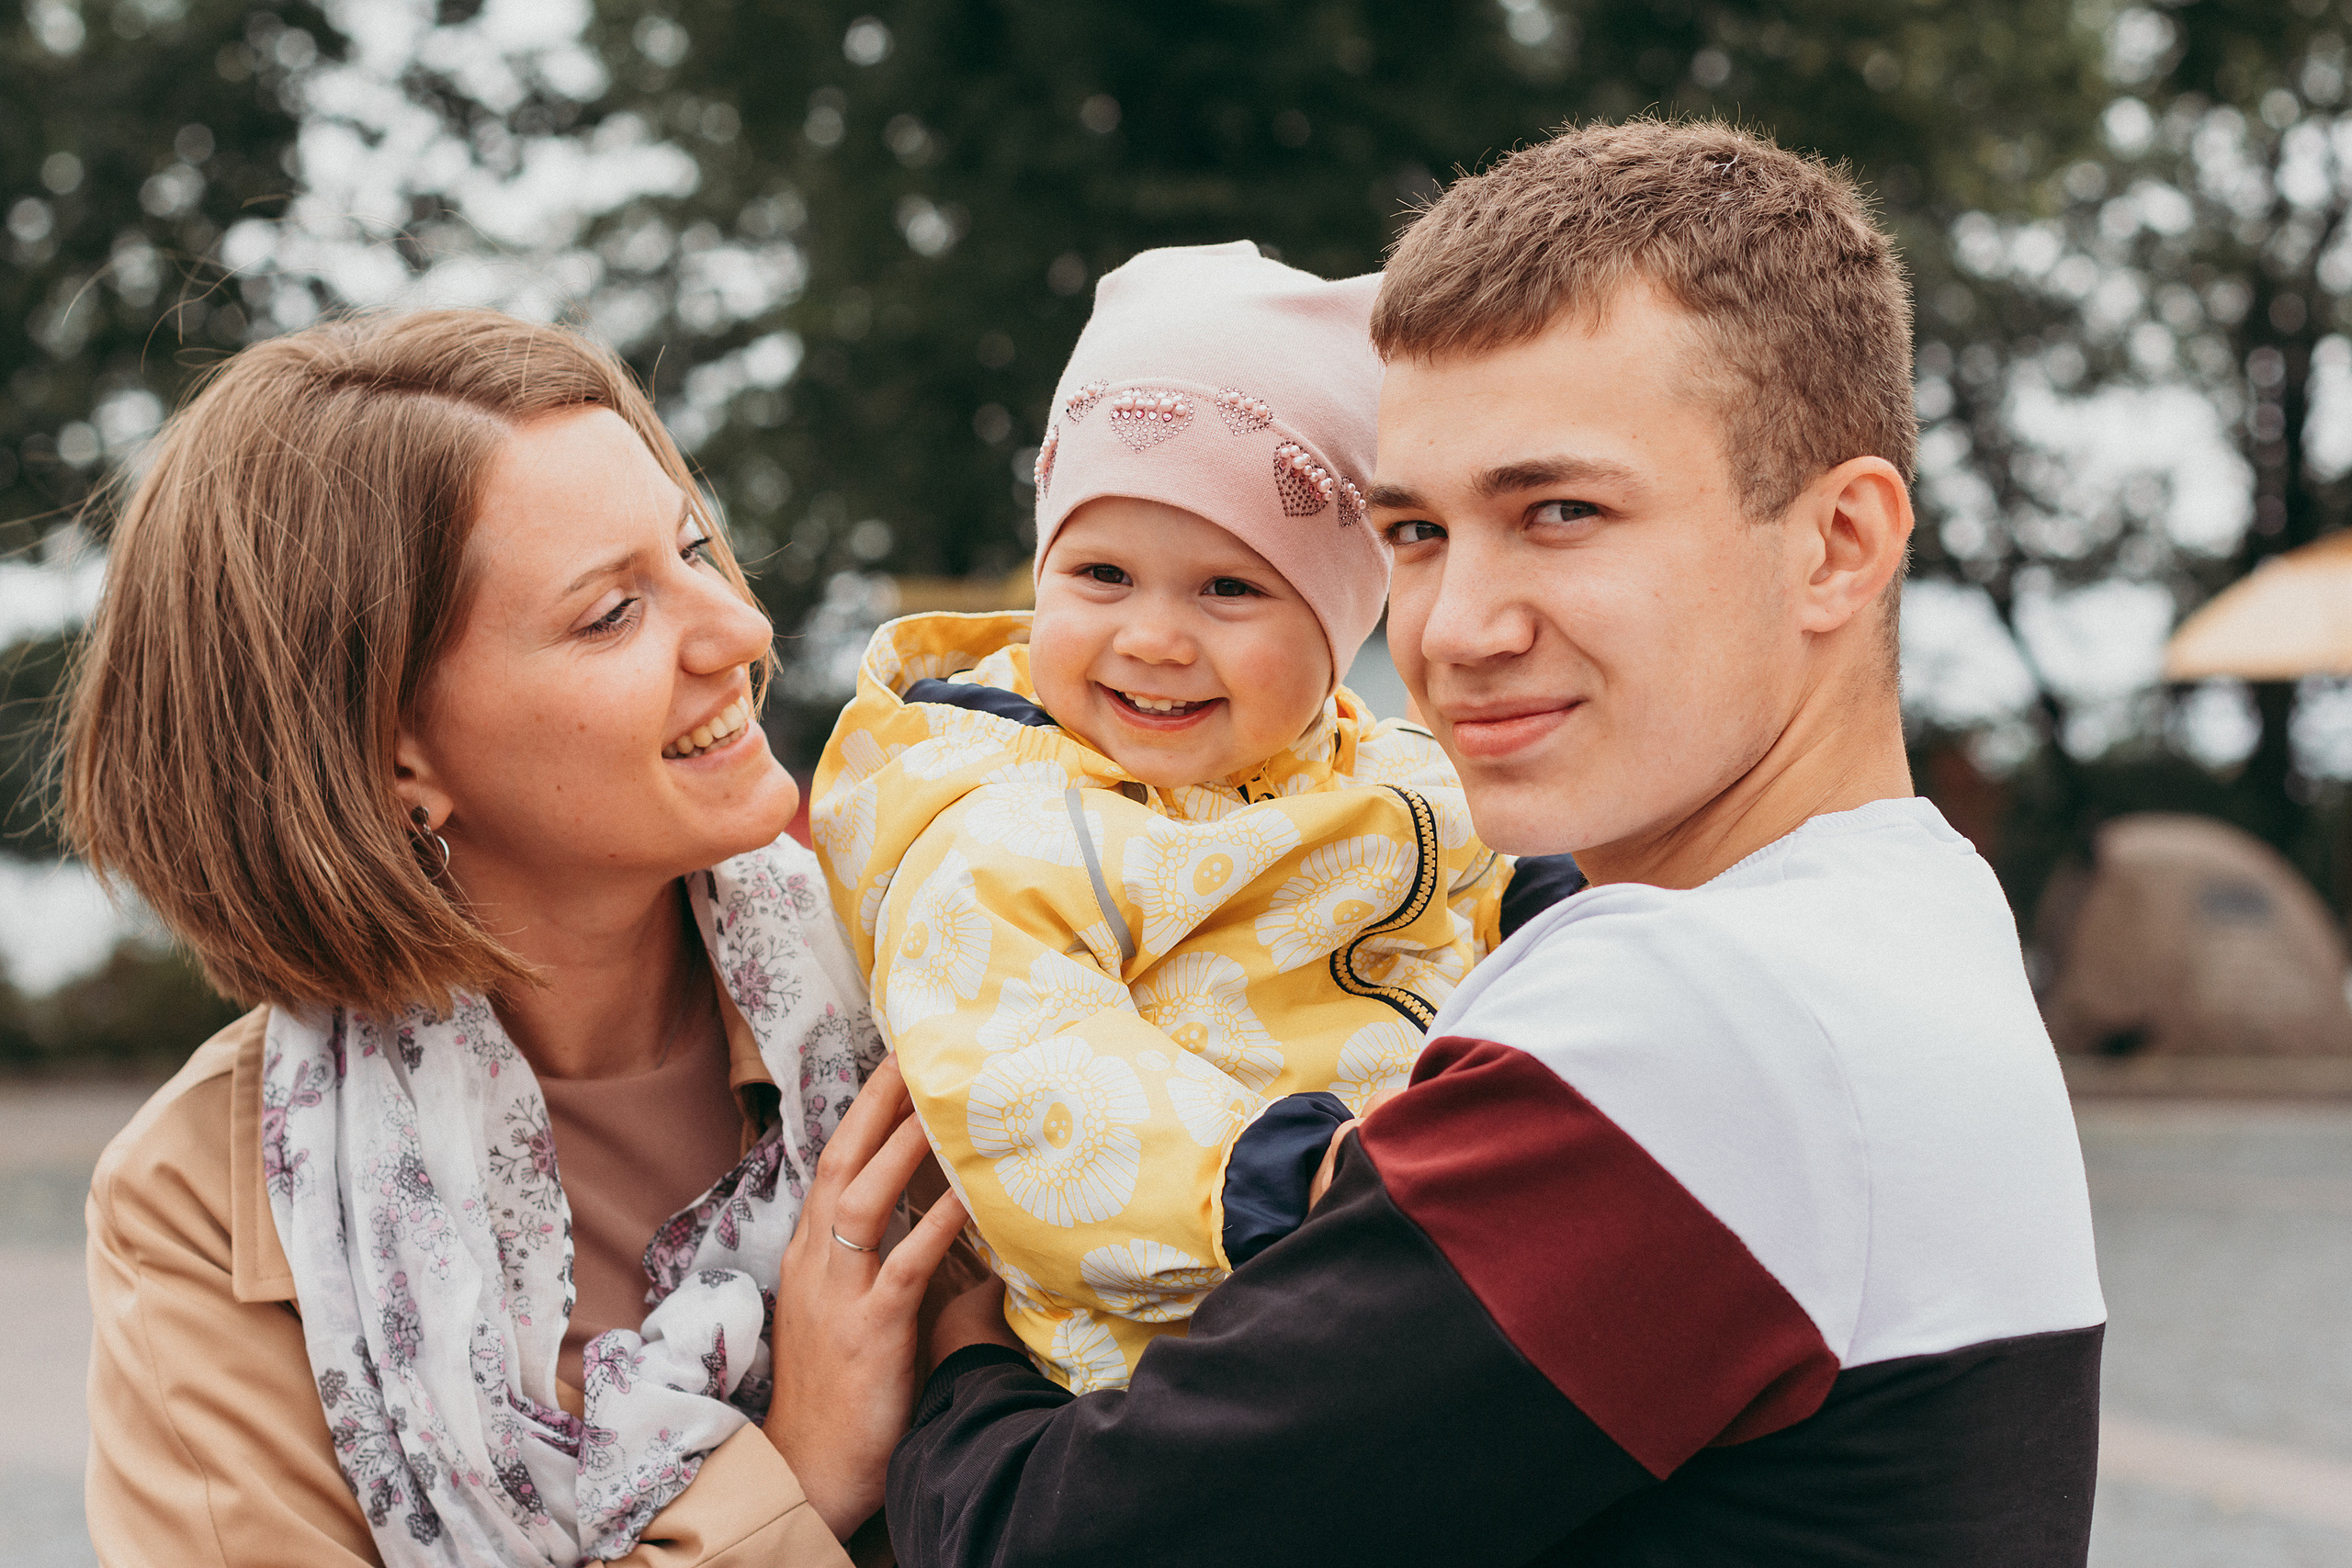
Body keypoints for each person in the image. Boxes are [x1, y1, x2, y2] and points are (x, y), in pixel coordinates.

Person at [870, 119, 2109, 1565]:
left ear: (1838, 543)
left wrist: (946, 1351)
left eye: (1560, 511)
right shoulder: (1913, 913)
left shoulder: (1695, 1021)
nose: (1457, 628)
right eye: (1414, 532)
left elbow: (1071, 1542)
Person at [69, 310, 967, 1566]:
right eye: (613, 613)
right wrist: (799, 1479)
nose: (739, 632)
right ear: (391, 754)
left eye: (697, 547)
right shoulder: (202, 1209)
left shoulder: (953, 985)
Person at [808, 243, 1572, 1393]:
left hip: (1425, 1254)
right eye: (1102, 575)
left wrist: (1562, 904)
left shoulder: (1388, 772)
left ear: (1338, 624)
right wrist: (1290, 1177)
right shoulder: (993, 834)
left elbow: (1494, 871)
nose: (1154, 638)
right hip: (1180, 1336)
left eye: (1228, 588)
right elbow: (1029, 1079)